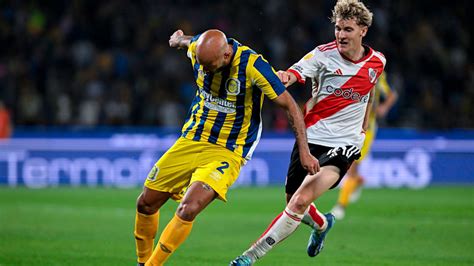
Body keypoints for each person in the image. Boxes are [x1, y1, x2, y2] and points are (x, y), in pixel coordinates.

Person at [134, 29, 319, 266]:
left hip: (228, 150)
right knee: (145, 203)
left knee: (188, 208)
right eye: (203, 66)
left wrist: (304, 150)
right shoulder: (199, 51)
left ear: (226, 55)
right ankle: (141, 262)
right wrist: (178, 39)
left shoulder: (253, 65)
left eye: (211, 66)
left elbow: (291, 106)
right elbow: (188, 41)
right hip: (192, 139)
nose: (207, 71)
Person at [230, 0, 386, 265]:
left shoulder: (378, 61)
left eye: (347, 29)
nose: (340, 35)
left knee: (299, 201)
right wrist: (283, 76)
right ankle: (322, 224)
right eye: (337, 29)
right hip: (311, 138)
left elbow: (369, 90)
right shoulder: (322, 55)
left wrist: (364, 125)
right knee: (293, 199)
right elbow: (294, 73)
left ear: (363, 31)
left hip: (345, 145)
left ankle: (248, 257)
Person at [331, 71, 398, 219]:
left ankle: (341, 206)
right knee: (348, 167)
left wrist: (384, 107)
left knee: (351, 165)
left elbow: (392, 94)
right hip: (348, 127)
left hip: (365, 130)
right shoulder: (347, 70)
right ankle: (358, 181)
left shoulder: (376, 74)